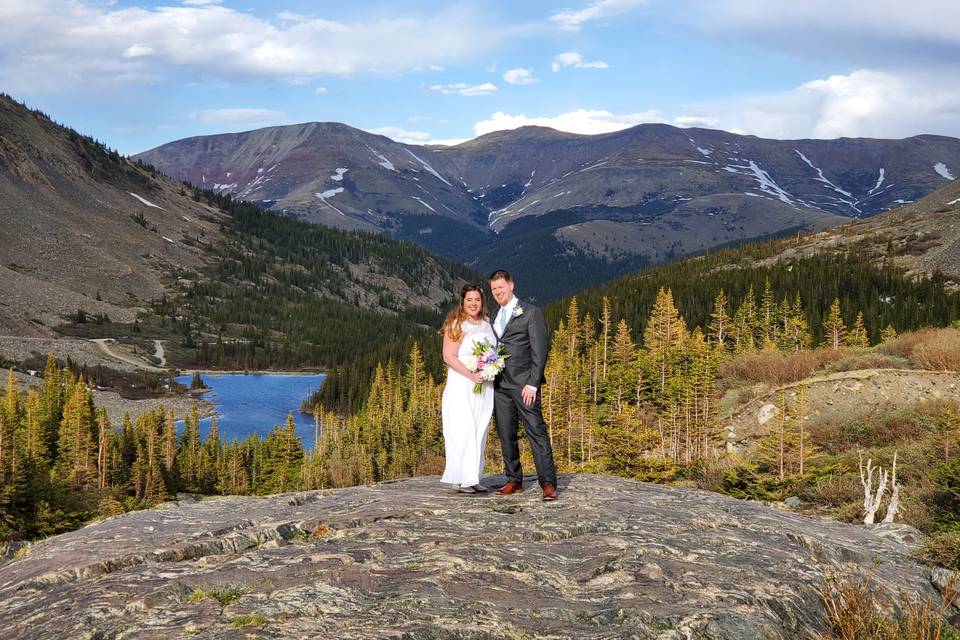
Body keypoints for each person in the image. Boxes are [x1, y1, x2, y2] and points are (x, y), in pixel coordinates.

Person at [488, 269, 558, 501]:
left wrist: (533, 383)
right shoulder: (496, 316)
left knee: (536, 432)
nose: (498, 292)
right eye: (494, 289)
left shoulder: (530, 312)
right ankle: (514, 480)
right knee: (506, 433)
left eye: (501, 287)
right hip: (500, 385)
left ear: (511, 285)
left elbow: (540, 350)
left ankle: (547, 483)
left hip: (524, 385)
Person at [439, 283, 496, 493]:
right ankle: (460, 478)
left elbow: (492, 352)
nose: (474, 304)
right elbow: (448, 356)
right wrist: (471, 375)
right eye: (469, 300)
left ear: (482, 302)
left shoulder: (487, 323)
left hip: (484, 384)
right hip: (462, 383)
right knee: (463, 428)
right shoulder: (456, 325)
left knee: (480, 428)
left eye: (477, 300)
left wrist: (491, 368)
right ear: (462, 302)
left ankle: (473, 476)